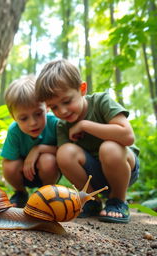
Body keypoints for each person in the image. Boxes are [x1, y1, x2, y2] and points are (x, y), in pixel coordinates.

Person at [35, 59, 140, 223]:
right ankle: (91, 201)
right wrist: (38, 150)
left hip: (123, 167)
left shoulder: (101, 102)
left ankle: (118, 201)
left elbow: (127, 136)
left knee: (109, 148)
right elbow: (64, 159)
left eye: (67, 101)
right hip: (95, 175)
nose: (62, 111)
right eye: (54, 107)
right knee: (64, 153)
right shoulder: (63, 125)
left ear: (82, 89)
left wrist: (85, 125)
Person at [0, 75, 60, 208]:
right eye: (23, 118)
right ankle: (21, 193)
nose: (33, 123)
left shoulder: (55, 124)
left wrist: (38, 149)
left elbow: (65, 149)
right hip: (24, 173)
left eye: (38, 114)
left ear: (47, 107)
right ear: (13, 117)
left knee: (48, 160)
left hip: (49, 170)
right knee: (8, 166)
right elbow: (9, 160)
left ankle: (47, 195)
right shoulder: (14, 131)